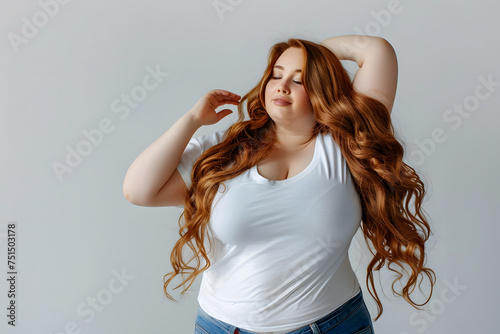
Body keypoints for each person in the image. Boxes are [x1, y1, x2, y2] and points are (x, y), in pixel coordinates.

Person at [122, 35, 436, 334]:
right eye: (276, 75)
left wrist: (313, 53)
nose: (282, 86)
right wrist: (192, 119)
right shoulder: (223, 151)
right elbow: (138, 190)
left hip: (334, 324)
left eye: (299, 80)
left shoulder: (348, 144)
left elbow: (376, 50)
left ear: (322, 90)